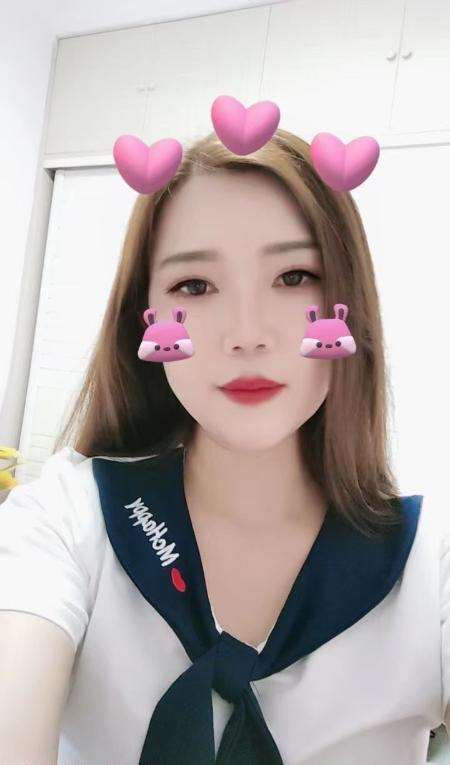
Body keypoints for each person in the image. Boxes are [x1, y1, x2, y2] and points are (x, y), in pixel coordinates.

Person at [0, 126, 448, 765]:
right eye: (194, 286)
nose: (246, 334)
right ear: (145, 316)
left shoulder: (430, 565)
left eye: (295, 275)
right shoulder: (67, 521)